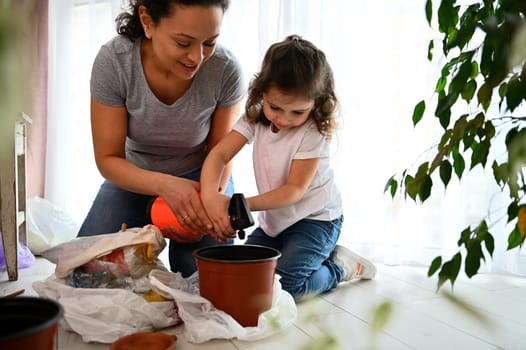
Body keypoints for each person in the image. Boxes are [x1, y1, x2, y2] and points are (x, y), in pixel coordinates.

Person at [200, 35, 376, 300]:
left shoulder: (313, 131)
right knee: (246, 276)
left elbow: (293, 191)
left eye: (297, 112)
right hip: (275, 223)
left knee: (285, 288)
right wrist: (211, 196)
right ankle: (311, 255)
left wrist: (239, 204)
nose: (284, 119)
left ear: (316, 103)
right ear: (262, 94)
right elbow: (219, 155)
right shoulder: (256, 116)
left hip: (315, 220)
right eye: (276, 107)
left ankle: (340, 266)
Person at [77, 0, 245, 277]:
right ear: (147, 21)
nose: (197, 58)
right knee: (88, 273)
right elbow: (108, 159)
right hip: (132, 178)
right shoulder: (115, 61)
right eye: (183, 43)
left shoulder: (225, 69)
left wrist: (207, 201)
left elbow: (221, 154)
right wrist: (167, 186)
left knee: (209, 279)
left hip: (202, 180)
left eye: (209, 42)